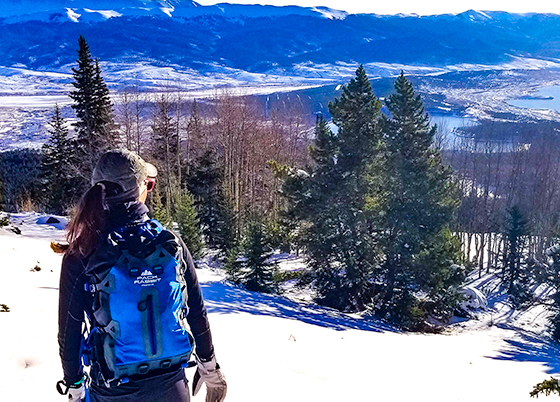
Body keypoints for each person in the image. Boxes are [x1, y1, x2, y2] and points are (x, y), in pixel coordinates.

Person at [56, 149, 227, 401]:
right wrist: (210, 367)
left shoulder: (82, 253)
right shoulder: (170, 244)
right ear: (140, 190)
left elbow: (69, 332)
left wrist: (74, 386)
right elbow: (196, 311)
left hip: (113, 390)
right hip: (172, 387)